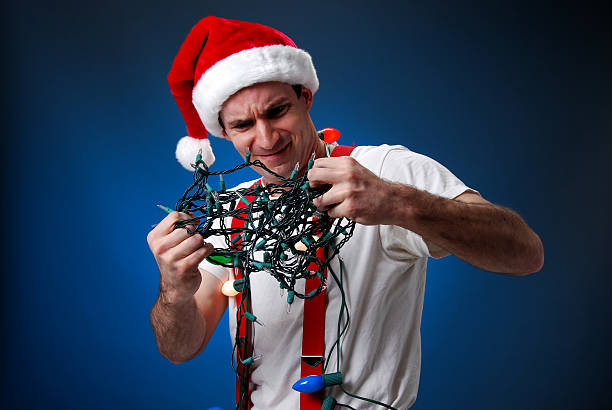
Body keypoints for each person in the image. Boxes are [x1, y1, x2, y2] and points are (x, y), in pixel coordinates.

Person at [147, 16, 544, 409]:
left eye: (277, 110)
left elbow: (525, 254)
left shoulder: (385, 171)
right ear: (224, 131)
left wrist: (398, 203)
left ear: (305, 97)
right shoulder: (227, 213)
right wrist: (173, 291)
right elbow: (179, 349)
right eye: (243, 124)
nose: (266, 138)